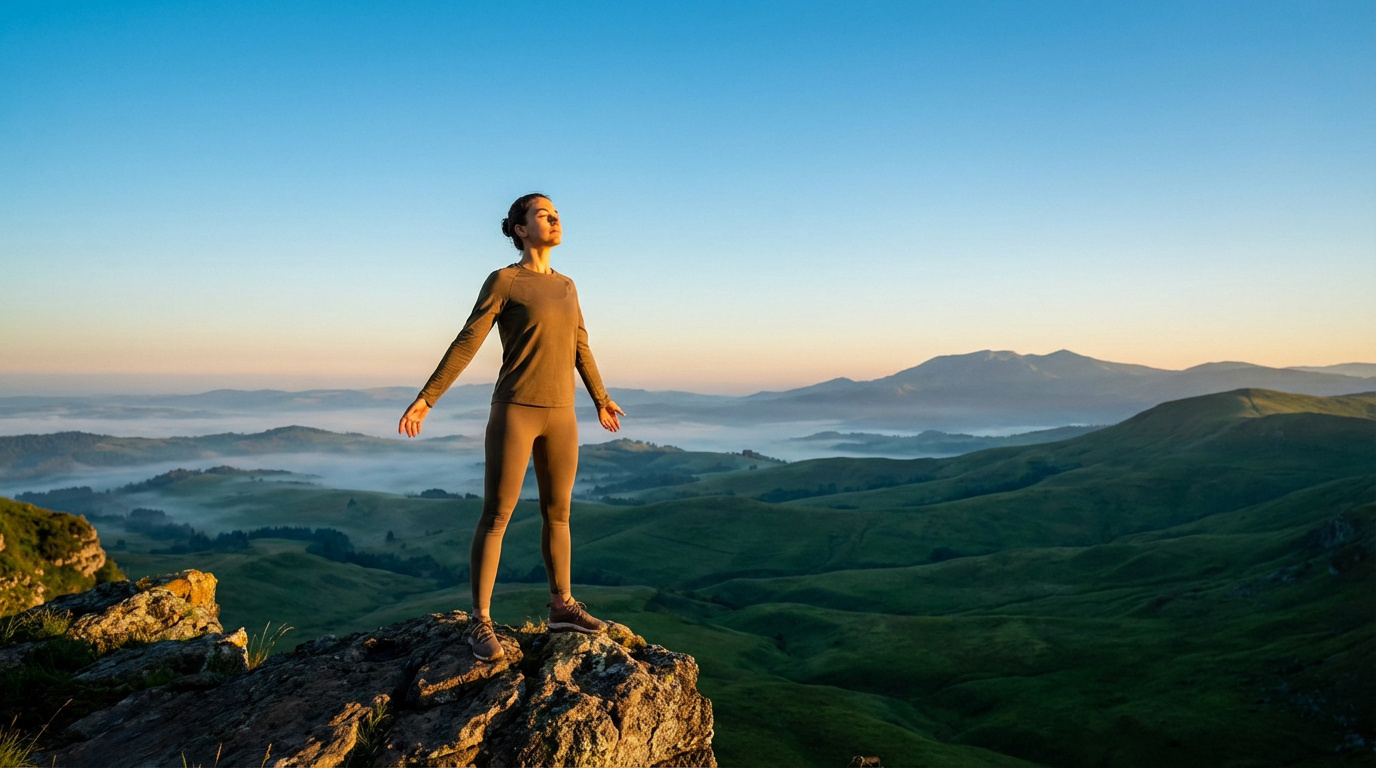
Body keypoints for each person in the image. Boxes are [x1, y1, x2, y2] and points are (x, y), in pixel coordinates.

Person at [398, 193, 626, 661]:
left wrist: (601, 399)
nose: (555, 220)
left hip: (562, 415)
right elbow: (469, 339)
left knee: (558, 513)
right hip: (515, 410)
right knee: (497, 515)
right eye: (544, 215)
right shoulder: (505, 280)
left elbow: (580, 345)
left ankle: (562, 606)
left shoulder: (567, 286)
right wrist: (427, 397)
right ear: (521, 229)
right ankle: (479, 622)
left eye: (557, 214)